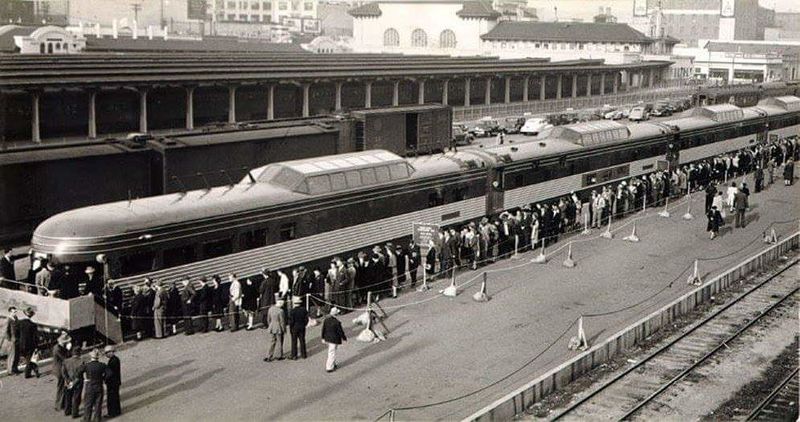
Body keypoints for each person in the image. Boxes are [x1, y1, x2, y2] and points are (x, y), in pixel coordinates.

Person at [76, 348, 110, 422]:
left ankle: (87, 419)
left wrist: (83, 379)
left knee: (88, 404)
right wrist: (103, 378)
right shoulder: (102, 365)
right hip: (99, 385)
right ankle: (97, 419)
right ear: (98, 357)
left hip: (90, 385)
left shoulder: (87, 365)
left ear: (91, 357)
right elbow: (109, 374)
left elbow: (78, 372)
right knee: (98, 404)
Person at [321, 307, 347, 373]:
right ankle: (329, 367)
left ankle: (333, 363)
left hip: (327, 338)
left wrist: (322, 337)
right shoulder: (337, 322)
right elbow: (340, 331)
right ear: (336, 314)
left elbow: (323, 329)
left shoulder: (326, 320)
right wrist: (344, 338)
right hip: (334, 339)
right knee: (332, 353)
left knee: (331, 351)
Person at [63, 345, 86, 418]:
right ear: (79, 352)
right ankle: (75, 413)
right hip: (78, 382)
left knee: (68, 396)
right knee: (76, 397)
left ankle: (67, 411)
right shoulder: (81, 361)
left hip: (68, 381)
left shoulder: (66, 361)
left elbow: (63, 372)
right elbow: (82, 372)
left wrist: (67, 380)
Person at [17, 307, 40, 378]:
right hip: (30, 345)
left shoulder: (20, 322)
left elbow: (17, 333)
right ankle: (28, 373)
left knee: (28, 359)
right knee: (30, 359)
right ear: (32, 315)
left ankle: (35, 371)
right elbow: (35, 337)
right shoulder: (33, 325)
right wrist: (36, 346)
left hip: (21, 344)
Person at [53, 331, 71, 411]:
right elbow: (65, 359)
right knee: (61, 387)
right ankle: (58, 404)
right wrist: (68, 350)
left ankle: (62, 403)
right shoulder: (58, 349)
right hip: (60, 370)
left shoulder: (57, 347)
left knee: (62, 386)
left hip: (58, 369)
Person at [104, 345, 122, 418]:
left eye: (107, 352)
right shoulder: (115, 359)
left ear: (111, 352)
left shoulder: (112, 361)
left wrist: (104, 378)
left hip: (112, 382)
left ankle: (112, 413)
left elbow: (110, 373)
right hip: (116, 381)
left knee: (111, 398)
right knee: (115, 397)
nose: (106, 354)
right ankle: (117, 411)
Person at [4, 306, 21, 375]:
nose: (15, 313)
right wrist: (10, 339)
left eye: (15, 311)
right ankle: (10, 370)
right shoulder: (8, 319)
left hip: (17, 339)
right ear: (10, 312)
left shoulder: (16, 318)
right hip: (12, 340)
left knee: (17, 355)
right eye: (14, 312)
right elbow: (6, 331)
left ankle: (15, 369)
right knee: (12, 355)